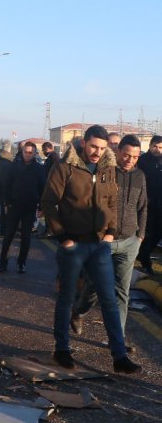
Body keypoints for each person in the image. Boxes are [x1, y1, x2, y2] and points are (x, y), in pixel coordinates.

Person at [40, 124, 140, 374]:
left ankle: (119, 356)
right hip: (72, 244)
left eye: (102, 148)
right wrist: (61, 236)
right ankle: (61, 349)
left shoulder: (108, 169)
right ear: (83, 143)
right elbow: (49, 202)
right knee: (66, 298)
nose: (97, 152)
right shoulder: (65, 167)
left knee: (108, 298)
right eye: (94, 146)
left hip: (99, 245)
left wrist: (111, 232)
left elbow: (112, 201)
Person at [71, 134, 147, 346]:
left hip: (130, 242)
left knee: (122, 292)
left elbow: (143, 206)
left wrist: (140, 235)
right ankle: (78, 311)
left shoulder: (141, 175)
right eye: (126, 155)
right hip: (103, 241)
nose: (130, 159)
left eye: (135, 156)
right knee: (94, 287)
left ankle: (117, 340)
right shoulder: (105, 172)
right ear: (118, 152)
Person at [0, 142, 45, 273]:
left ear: (35, 153)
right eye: (26, 152)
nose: (27, 155)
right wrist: (6, 203)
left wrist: (41, 207)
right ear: (22, 152)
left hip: (30, 207)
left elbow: (43, 189)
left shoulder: (39, 169)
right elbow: (7, 185)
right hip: (14, 205)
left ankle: (21, 263)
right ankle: (3, 262)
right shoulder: (14, 166)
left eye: (30, 153)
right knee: (8, 235)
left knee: (26, 236)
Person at [136, 135, 162, 275]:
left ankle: (142, 254)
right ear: (150, 146)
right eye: (155, 146)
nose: (157, 150)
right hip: (147, 203)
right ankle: (146, 263)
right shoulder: (143, 161)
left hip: (160, 203)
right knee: (147, 233)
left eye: (160, 147)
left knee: (158, 233)